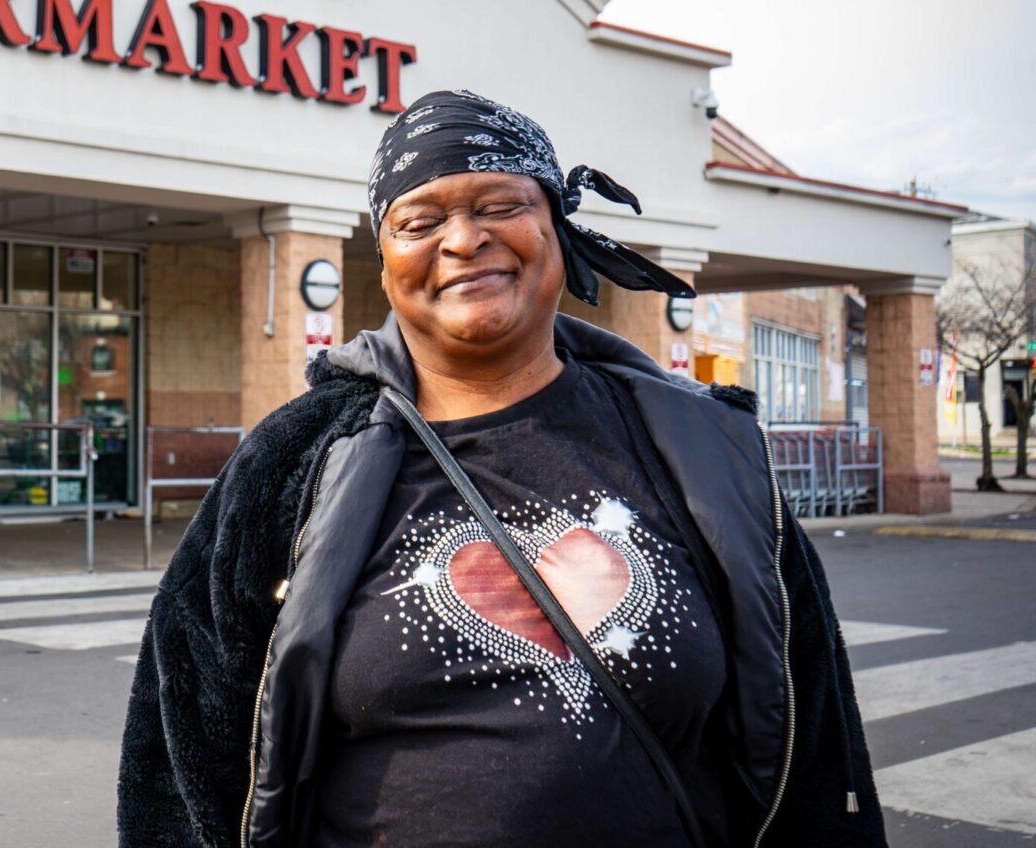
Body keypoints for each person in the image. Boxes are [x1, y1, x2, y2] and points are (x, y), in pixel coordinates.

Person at [118, 90, 883, 848]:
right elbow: (183, 749)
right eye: (420, 222)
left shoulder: (706, 446)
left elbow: (814, 732)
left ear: (559, 229)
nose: (463, 239)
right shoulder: (290, 462)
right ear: (386, 268)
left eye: (499, 205)